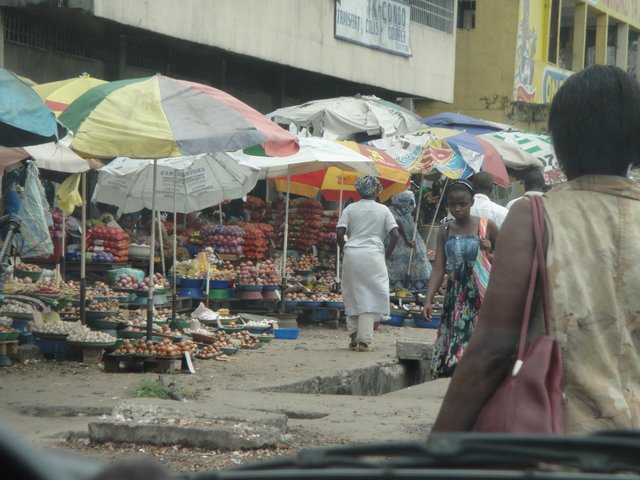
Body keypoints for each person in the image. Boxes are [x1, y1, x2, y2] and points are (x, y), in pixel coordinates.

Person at [429, 65, 640, 434]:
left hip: (557, 446)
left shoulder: (534, 215)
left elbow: (493, 350)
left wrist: (436, 451)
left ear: (560, 141)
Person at [422, 180, 498, 378]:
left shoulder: (486, 225)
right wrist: (428, 300)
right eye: (453, 204)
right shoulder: (445, 230)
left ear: (471, 202)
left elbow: (508, 259)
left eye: (462, 204)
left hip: (480, 293)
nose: (457, 209)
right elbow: (439, 268)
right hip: (455, 295)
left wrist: (490, 252)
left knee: (476, 337)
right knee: (457, 337)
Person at [337, 176, 399, 352]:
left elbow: (340, 233)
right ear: (377, 190)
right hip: (374, 255)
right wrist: (386, 254)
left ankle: (353, 336)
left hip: (352, 254)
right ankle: (364, 341)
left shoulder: (350, 208)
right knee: (370, 295)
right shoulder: (383, 210)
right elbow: (394, 234)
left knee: (352, 292)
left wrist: (345, 250)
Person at [386, 189, 432, 293]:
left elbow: (414, 210)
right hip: (399, 239)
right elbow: (396, 223)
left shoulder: (406, 210)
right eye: (409, 203)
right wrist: (406, 239)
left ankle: (420, 286)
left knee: (420, 257)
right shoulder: (391, 210)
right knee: (397, 262)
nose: (410, 206)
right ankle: (399, 286)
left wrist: (417, 216)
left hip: (410, 236)